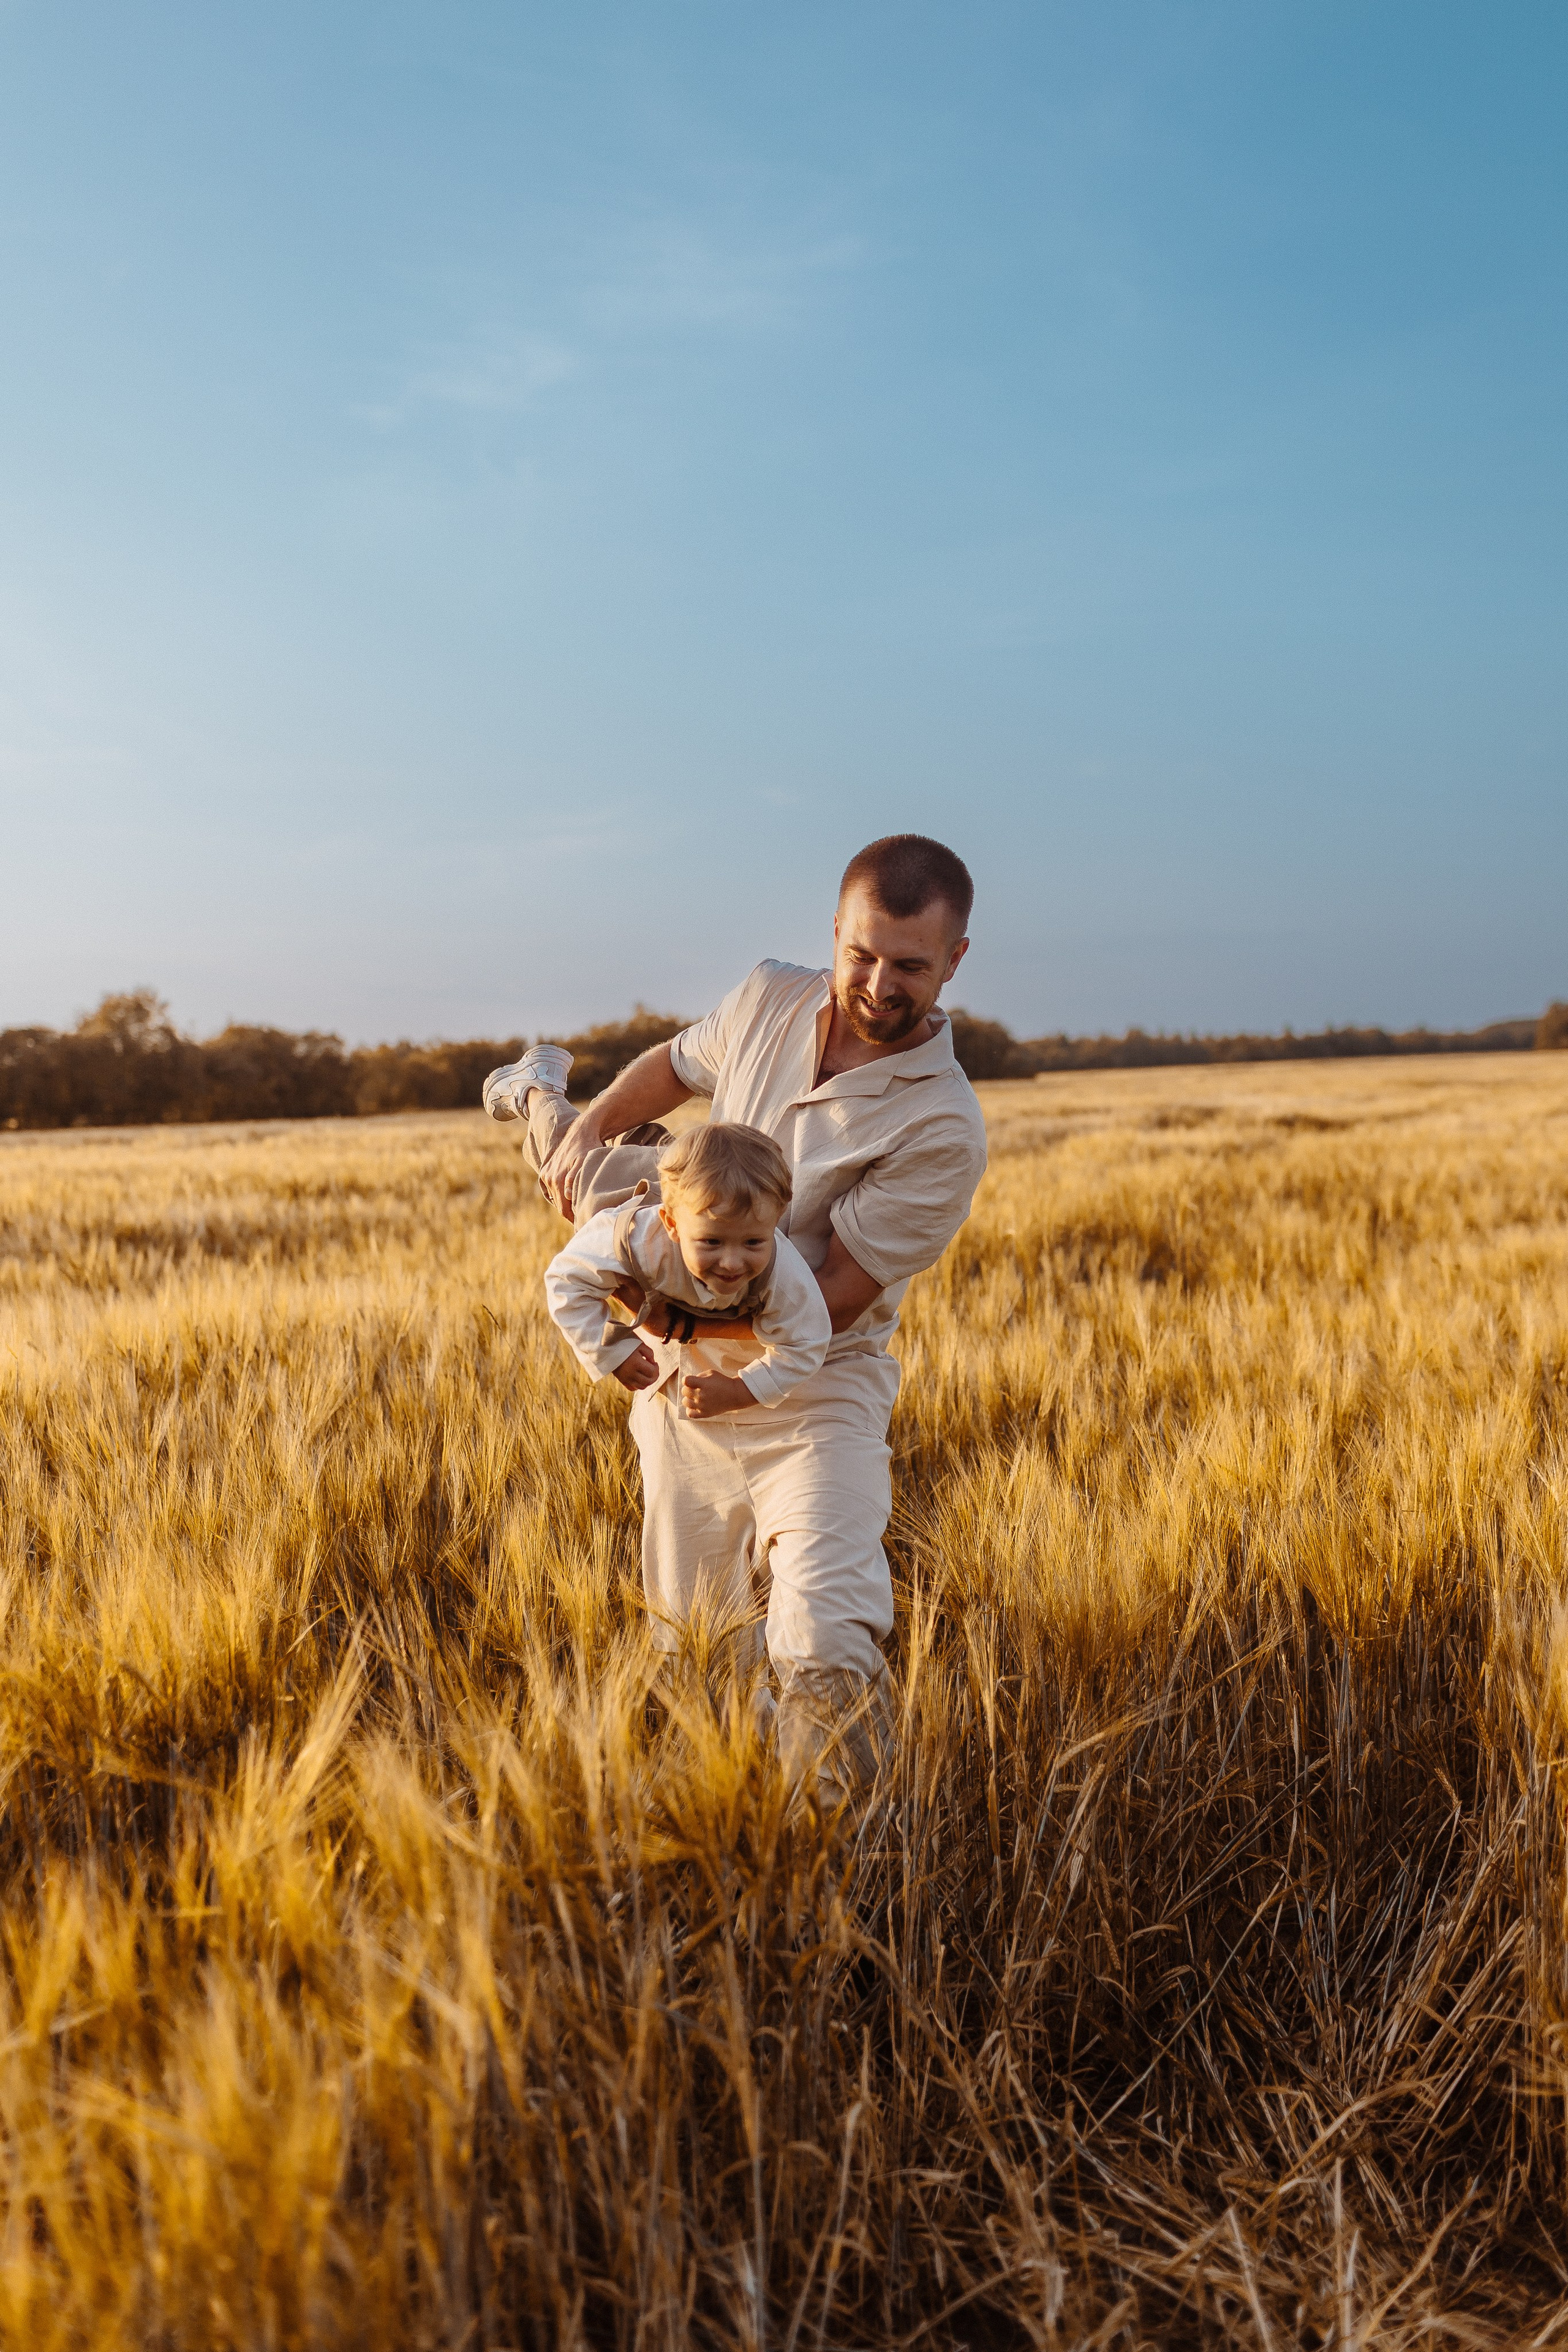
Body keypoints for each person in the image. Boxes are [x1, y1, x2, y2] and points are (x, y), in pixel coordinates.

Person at [484, 833, 988, 1801]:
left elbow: (830, 1298)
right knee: (697, 1655)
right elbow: (674, 1067)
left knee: (830, 1644)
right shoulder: (767, 996)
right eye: (862, 954)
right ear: (834, 932)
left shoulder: (942, 1126)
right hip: (683, 1387)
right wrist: (589, 1129)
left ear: (955, 961)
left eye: (911, 967)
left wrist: (654, 1301)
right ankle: (542, 1095)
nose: (879, 983)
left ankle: (833, 1873)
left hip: (814, 1394)